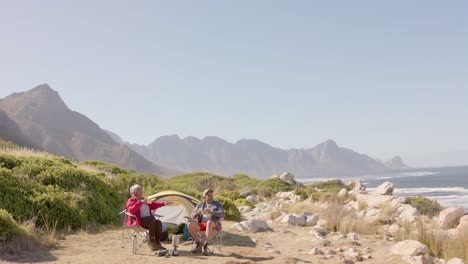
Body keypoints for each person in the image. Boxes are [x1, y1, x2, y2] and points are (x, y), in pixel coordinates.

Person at [125, 184, 169, 251]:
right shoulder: (131, 201)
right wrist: (140, 202)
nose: (142, 191)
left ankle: (157, 243)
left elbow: (153, 204)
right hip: (139, 221)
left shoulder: (144, 199)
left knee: (158, 222)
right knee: (152, 219)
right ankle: (152, 241)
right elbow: (131, 211)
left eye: (141, 190)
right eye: (140, 190)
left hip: (149, 222)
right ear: (134, 193)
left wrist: (163, 203)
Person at [188, 188, 225, 255]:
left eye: (211, 195)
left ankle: (205, 244)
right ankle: (199, 244)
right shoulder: (200, 204)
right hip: (202, 224)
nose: (211, 197)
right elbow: (192, 215)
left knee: (209, 222)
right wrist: (197, 213)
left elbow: (222, 214)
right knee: (190, 224)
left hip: (214, 224)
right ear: (204, 197)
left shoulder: (218, 204)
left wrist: (212, 212)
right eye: (209, 196)